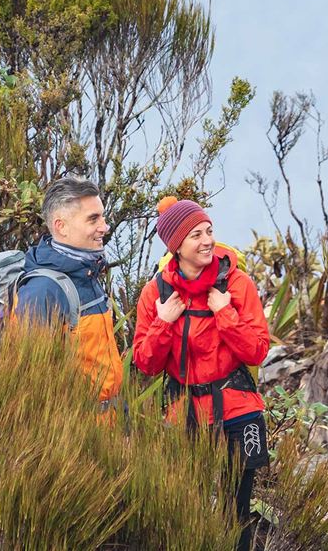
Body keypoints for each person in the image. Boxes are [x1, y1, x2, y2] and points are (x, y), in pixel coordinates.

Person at [132, 196, 270, 551]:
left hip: (237, 411)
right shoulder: (156, 294)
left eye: (209, 231)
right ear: (176, 246)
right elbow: (145, 364)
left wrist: (225, 313)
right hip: (184, 416)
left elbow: (256, 350)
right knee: (185, 507)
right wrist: (163, 322)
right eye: (196, 235)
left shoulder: (236, 285)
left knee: (234, 510)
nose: (207, 240)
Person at [16, 177, 122, 410]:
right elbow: (31, 379)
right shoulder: (43, 290)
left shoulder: (87, 272)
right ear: (60, 226)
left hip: (110, 422)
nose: (104, 227)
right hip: (78, 431)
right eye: (93, 219)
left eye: (102, 216)